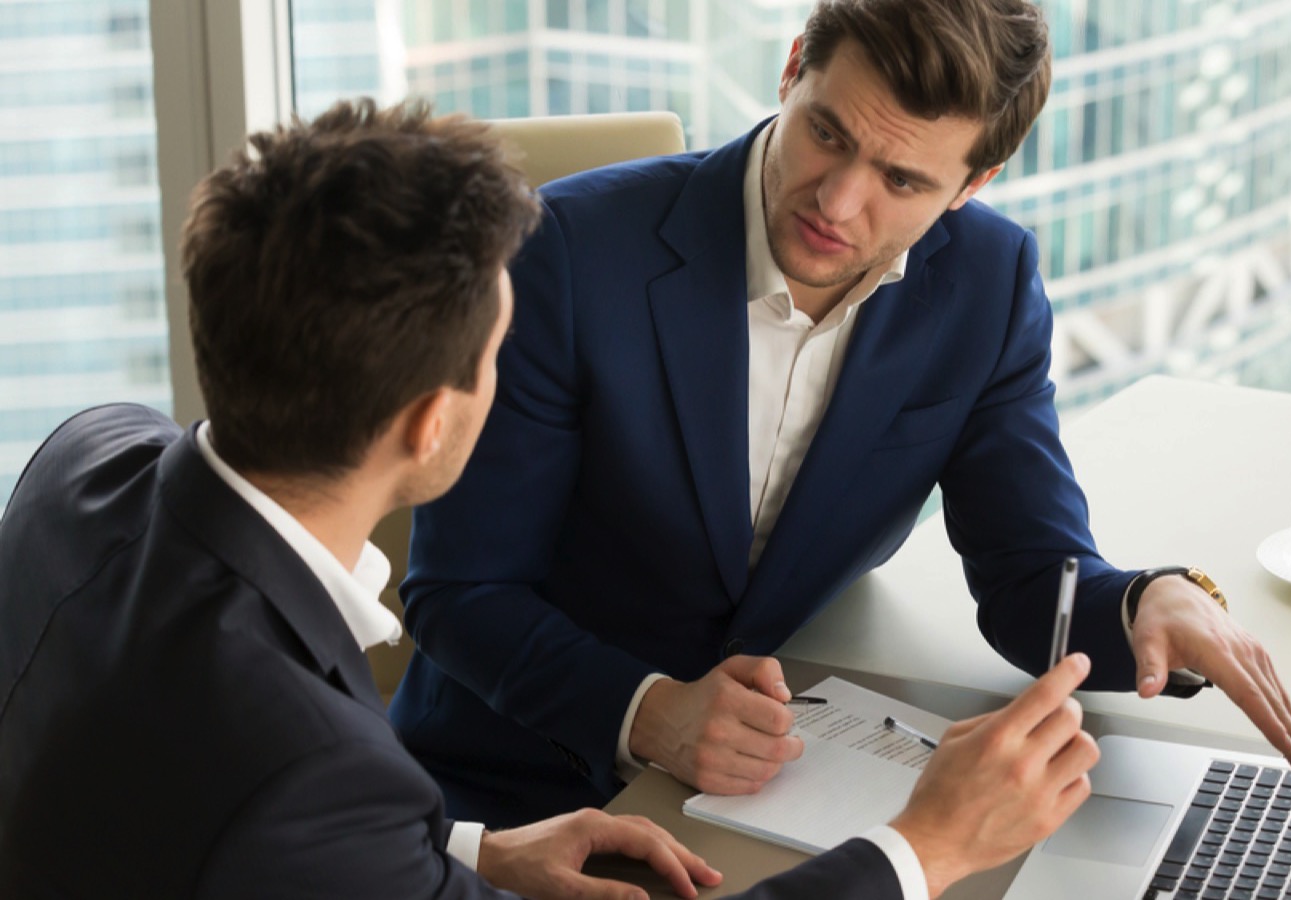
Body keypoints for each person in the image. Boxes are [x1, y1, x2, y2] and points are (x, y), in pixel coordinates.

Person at [0, 99, 1099, 900]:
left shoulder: (85, 459)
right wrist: (929, 846)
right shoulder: (314, 777)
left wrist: (471, 854)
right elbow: (296, 814)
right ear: (435, 423)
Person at [393, 0, 1291, 830]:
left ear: (974, 184)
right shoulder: (560, 253)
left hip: (783, 788)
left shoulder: (987, 286)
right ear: (793, 65)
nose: (839, 203)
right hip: (523, 790)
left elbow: (1029, 575)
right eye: (828, 134)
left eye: (903, 181)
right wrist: (647, 711)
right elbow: (460, 589)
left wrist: (1144, 601)